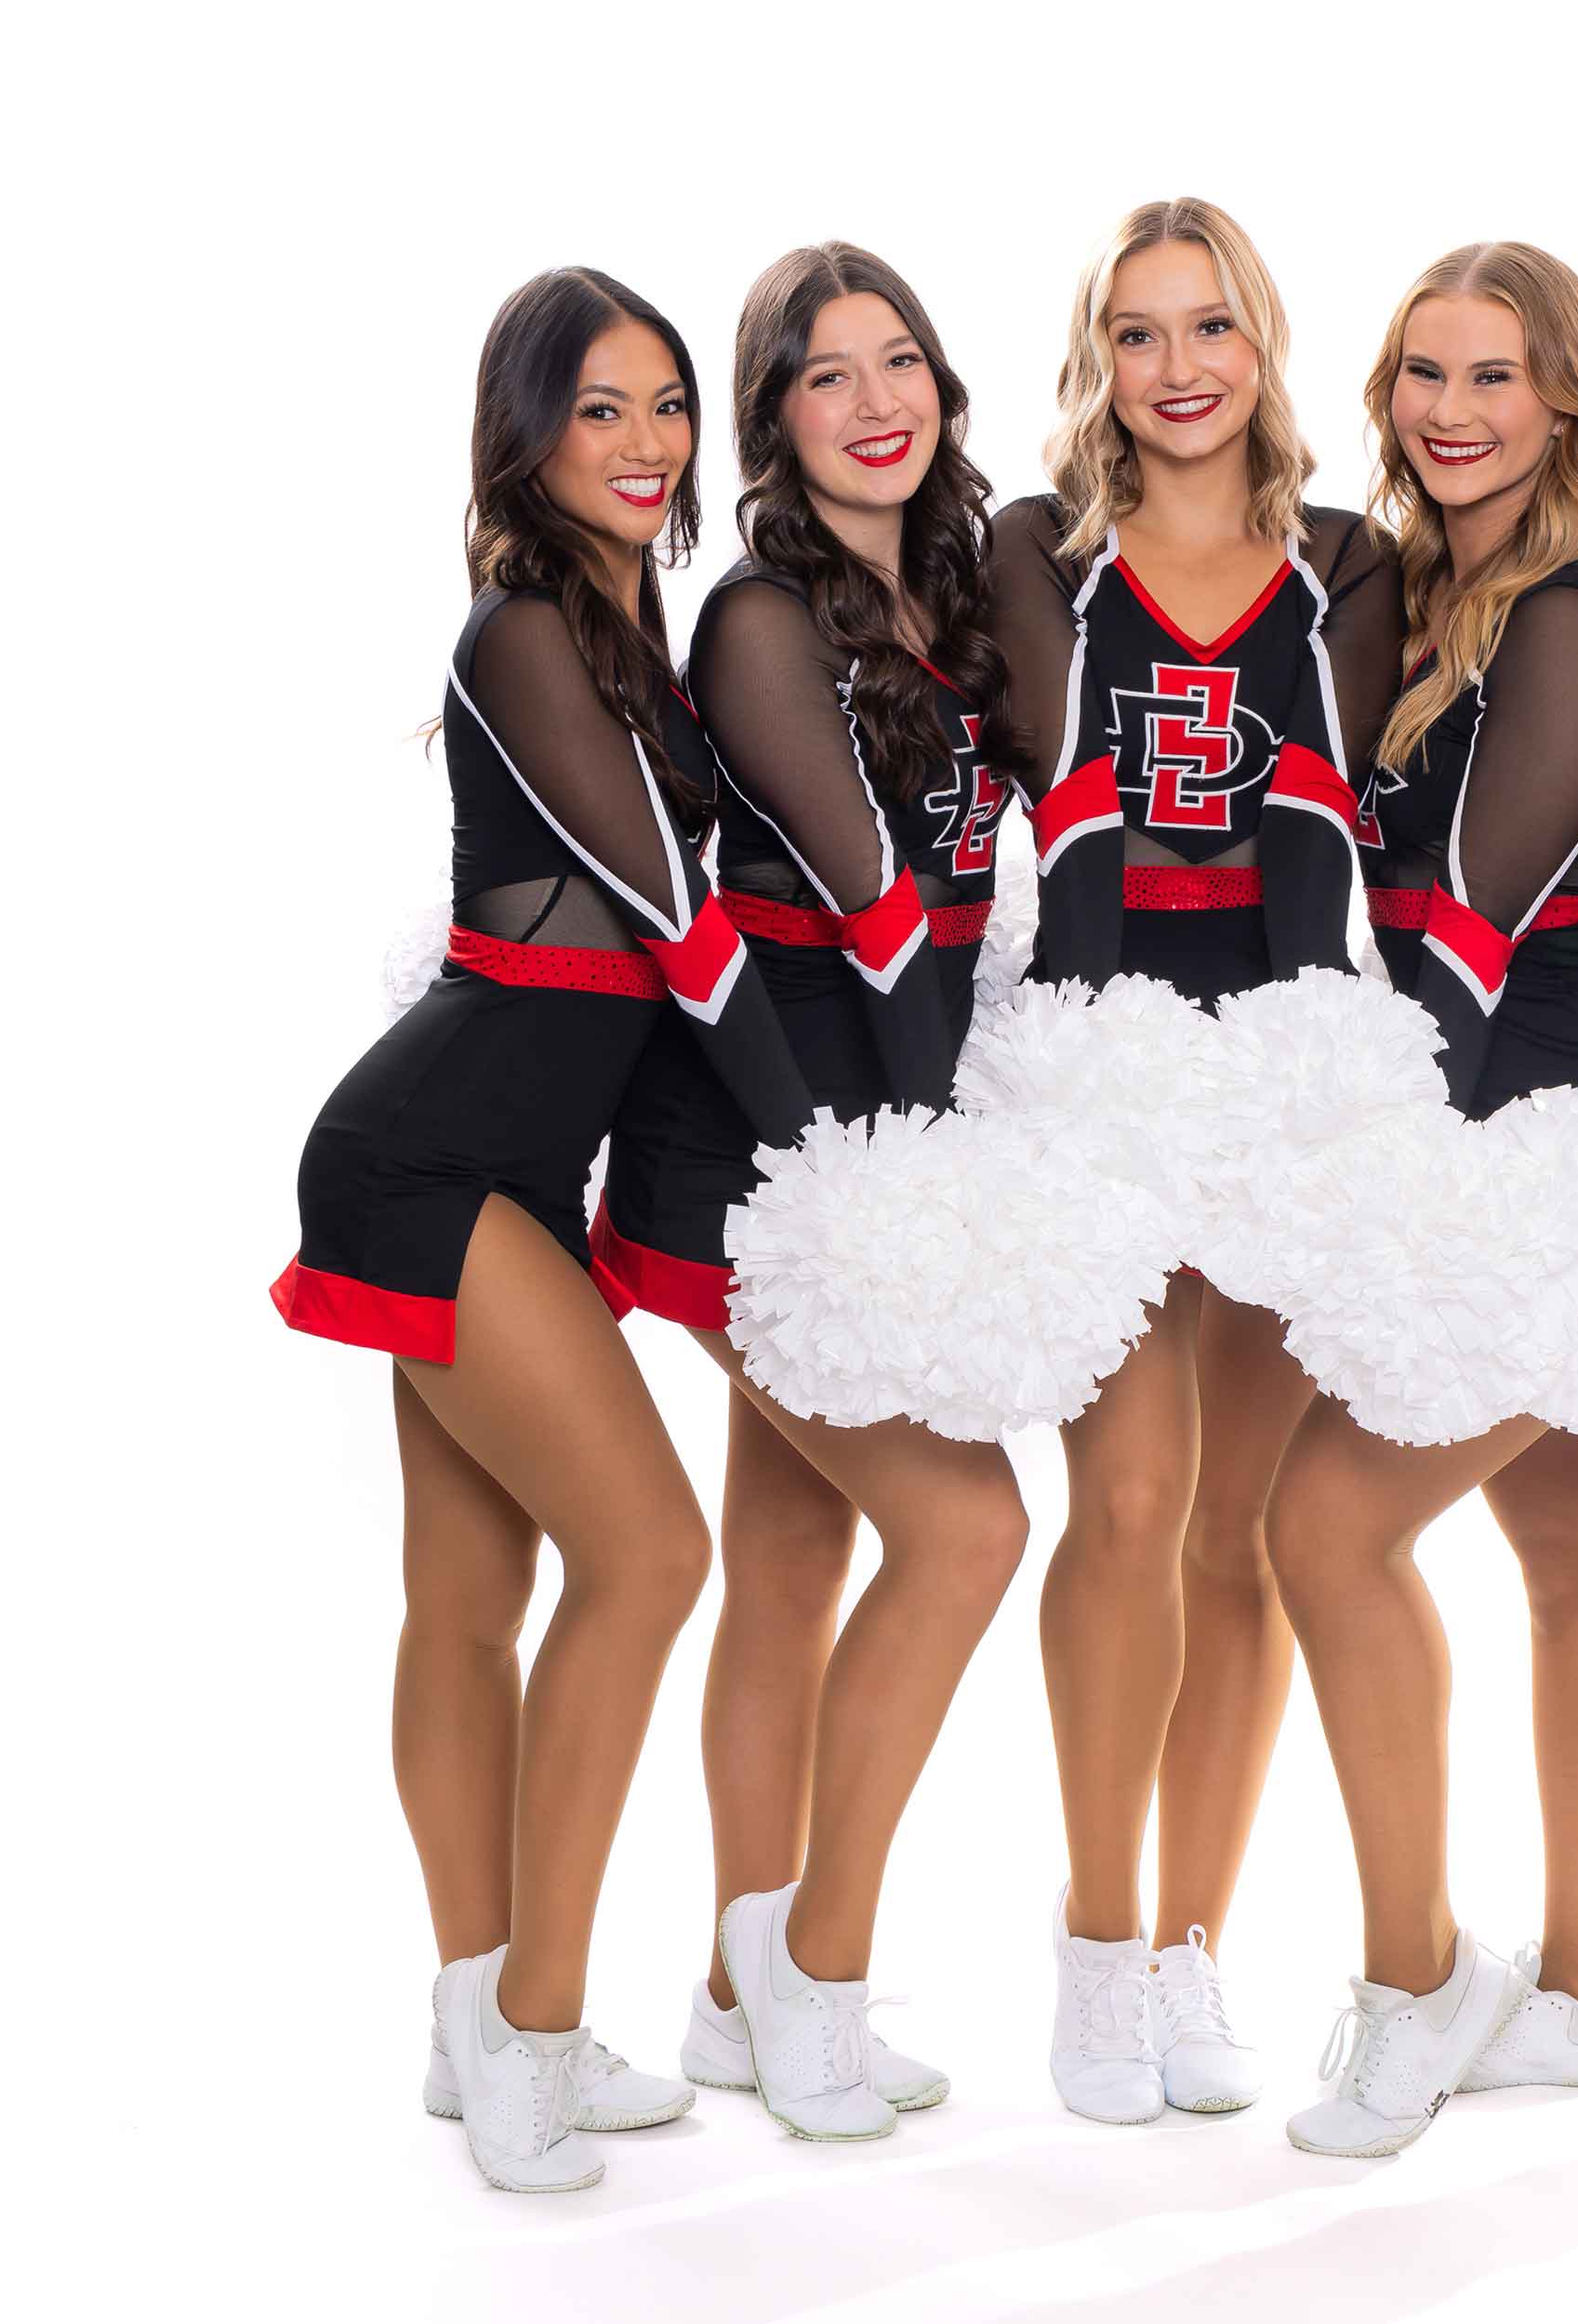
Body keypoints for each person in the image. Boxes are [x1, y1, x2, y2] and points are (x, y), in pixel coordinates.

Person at [272, 268, 815, 2191]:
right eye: (600, 408)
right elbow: (675, 914)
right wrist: (824, 1138)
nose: (647, 441)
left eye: (665, 404)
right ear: (527, 431)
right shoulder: (519, 631)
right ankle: (528, 2031)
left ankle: (470, 2016)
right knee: (649, 1551)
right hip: (428, 1160)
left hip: (517, 1176)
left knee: (477, 1596)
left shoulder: (630, 629)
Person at [1265, 243, 1578, 2159]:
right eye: (1421, 376)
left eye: (1494, 380)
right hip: (1479, 1113)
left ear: (1564, 408)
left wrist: (1354, 1164)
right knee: (1572, 1551)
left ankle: (1416, 1972)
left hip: (1538, 1133)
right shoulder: (1411, 588)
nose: (1450, 412)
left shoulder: (1562, 622)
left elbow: (1457, 935)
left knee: (1319, 1525)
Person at [584, 244, 1031, 2143]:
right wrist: (937, 1187)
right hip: (760, 1160)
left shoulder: (946, 595)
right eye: (822, 374)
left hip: (869, 1132)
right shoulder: (758, 616)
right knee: (969, 1531)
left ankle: (722, 1997)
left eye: (901, 361)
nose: (874, 401)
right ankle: (816, 1966)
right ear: (769, 418)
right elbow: (866, 918)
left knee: (788, 1561)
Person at [987, 196, 1399, 2122]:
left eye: (1208, 326)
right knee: (1128, 1500)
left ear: (1262, 344)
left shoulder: (1345, 560)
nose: (1176, 368)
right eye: (1136, 332)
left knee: (1237, 1526)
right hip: (1102, 1063)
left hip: (1293, 1070)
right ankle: (1088, 1942)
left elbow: (1354, 849)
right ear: (1099, 359)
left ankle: (1190, 1950)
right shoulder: (1034, 554)